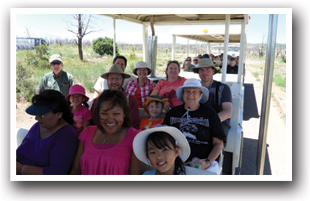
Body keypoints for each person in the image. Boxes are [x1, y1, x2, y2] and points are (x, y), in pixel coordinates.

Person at [69, 90, 147, 175]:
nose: (110, 119)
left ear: (124, 114)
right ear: (98, 113)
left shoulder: (135, 138)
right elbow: (75, 171)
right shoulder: (87, 133)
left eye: (116, 114)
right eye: (104, 113)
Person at [163, 78, 226, 174]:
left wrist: (207, 162)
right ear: (183, 94)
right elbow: (163, 139)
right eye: (187, 91)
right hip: (174, 161)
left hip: (201, 163)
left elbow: (218, 143)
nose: (190, 95)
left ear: (200, 95)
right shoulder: (173, 113)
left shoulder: (210, 113)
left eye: (195, 92)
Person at [16, 90, 78, 175]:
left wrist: (22, 169)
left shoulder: (67, 135)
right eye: (36, 114)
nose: (36, 119)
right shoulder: (38, 126)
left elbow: (56, 172)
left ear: (59, 114)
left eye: (42, 115)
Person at [91, 64, 140, 129]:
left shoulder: (130, 100)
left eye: (118, 78)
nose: (114, 82)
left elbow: (134, 125)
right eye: (111, 78)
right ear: (107, 80)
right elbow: (94, 122)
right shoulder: (98, 100)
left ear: (123, 80)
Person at [192, 58, 232, 137]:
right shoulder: (193, 88)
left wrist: (208, 122)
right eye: (201, 70)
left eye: (208, 70)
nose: (205, 73)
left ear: (213, 71)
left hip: (219, 122)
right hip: (196, 122)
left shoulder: (223, 88)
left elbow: (228, 112)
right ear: (198, 72)